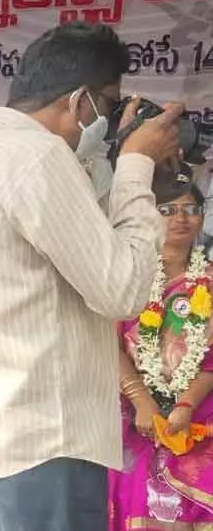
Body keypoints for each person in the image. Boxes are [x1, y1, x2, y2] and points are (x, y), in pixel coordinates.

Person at [0, 22, 184, 530]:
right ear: (81, 101)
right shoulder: (38, 159)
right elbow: (124, 289)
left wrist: (109, 156)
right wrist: (133, 166)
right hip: (36, 447)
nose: (108, 123)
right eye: (108, 108)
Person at [110, 179, 213, 529]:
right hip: (137, 414)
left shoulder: (210, 280)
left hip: (201, 410)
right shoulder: (130, 278)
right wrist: (141, 400)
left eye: (191, 209)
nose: (180, 218)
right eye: (167, 210)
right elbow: (106, 344)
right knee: (137, 488)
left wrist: (185, 405)